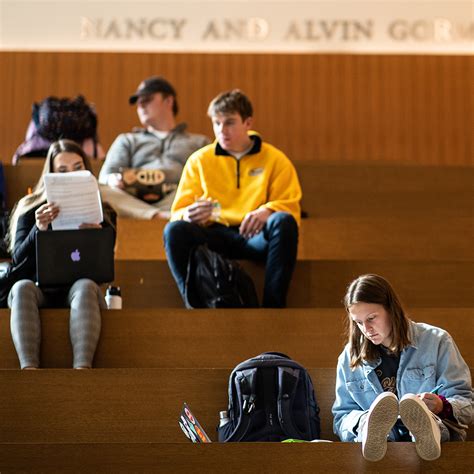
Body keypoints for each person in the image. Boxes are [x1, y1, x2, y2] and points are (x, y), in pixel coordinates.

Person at [164, 89, 302, 308]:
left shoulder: (275, 159)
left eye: (229, 123)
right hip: (213, 234)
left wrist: (267, 210)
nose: (222, 130)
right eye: (216, 123)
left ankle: (273, 308)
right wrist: (188, 214)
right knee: (174, 230)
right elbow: (177, 213)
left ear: (248, 123)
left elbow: (290, 206)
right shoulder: (199, 160)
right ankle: (194, 307)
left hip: (254, 236)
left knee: (283, 223)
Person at [332, 274, 472, 462]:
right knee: (368, 423)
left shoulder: (437, 340)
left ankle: (426, 431)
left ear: (391, 309)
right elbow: (341, 416)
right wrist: (363, 421)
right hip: (382, 442)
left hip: (438, 431)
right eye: (358, 322)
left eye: (372, 318)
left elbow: (466, 401)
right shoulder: (350, 356)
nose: (366, 329)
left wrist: (442, 406)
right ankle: (372, 431)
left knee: (429, 422)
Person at [7, 139, 113, 369]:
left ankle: (82, 370)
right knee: (21, 288)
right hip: (38, 289)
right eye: (62, 170)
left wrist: (97, 237)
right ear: (52, 175)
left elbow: (105, 270)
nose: (71, 175)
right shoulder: (30, 209)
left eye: (78, 168)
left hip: (80, 290)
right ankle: (29, 370)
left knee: (85, 286)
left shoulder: (102, 211)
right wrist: (40, 229)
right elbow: (18, 264)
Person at [98, 76, 210, 219]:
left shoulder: (199, 142)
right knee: (99, 190)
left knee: (204, 191)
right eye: (138, 103)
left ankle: (165, 214)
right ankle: (159, 216)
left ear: (169, 101)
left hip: (177, 198)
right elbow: (105, 177)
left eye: (146, 100)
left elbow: (210, 180)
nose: (140, 106)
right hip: (133, 201)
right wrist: (113, 179)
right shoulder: (126, 140)